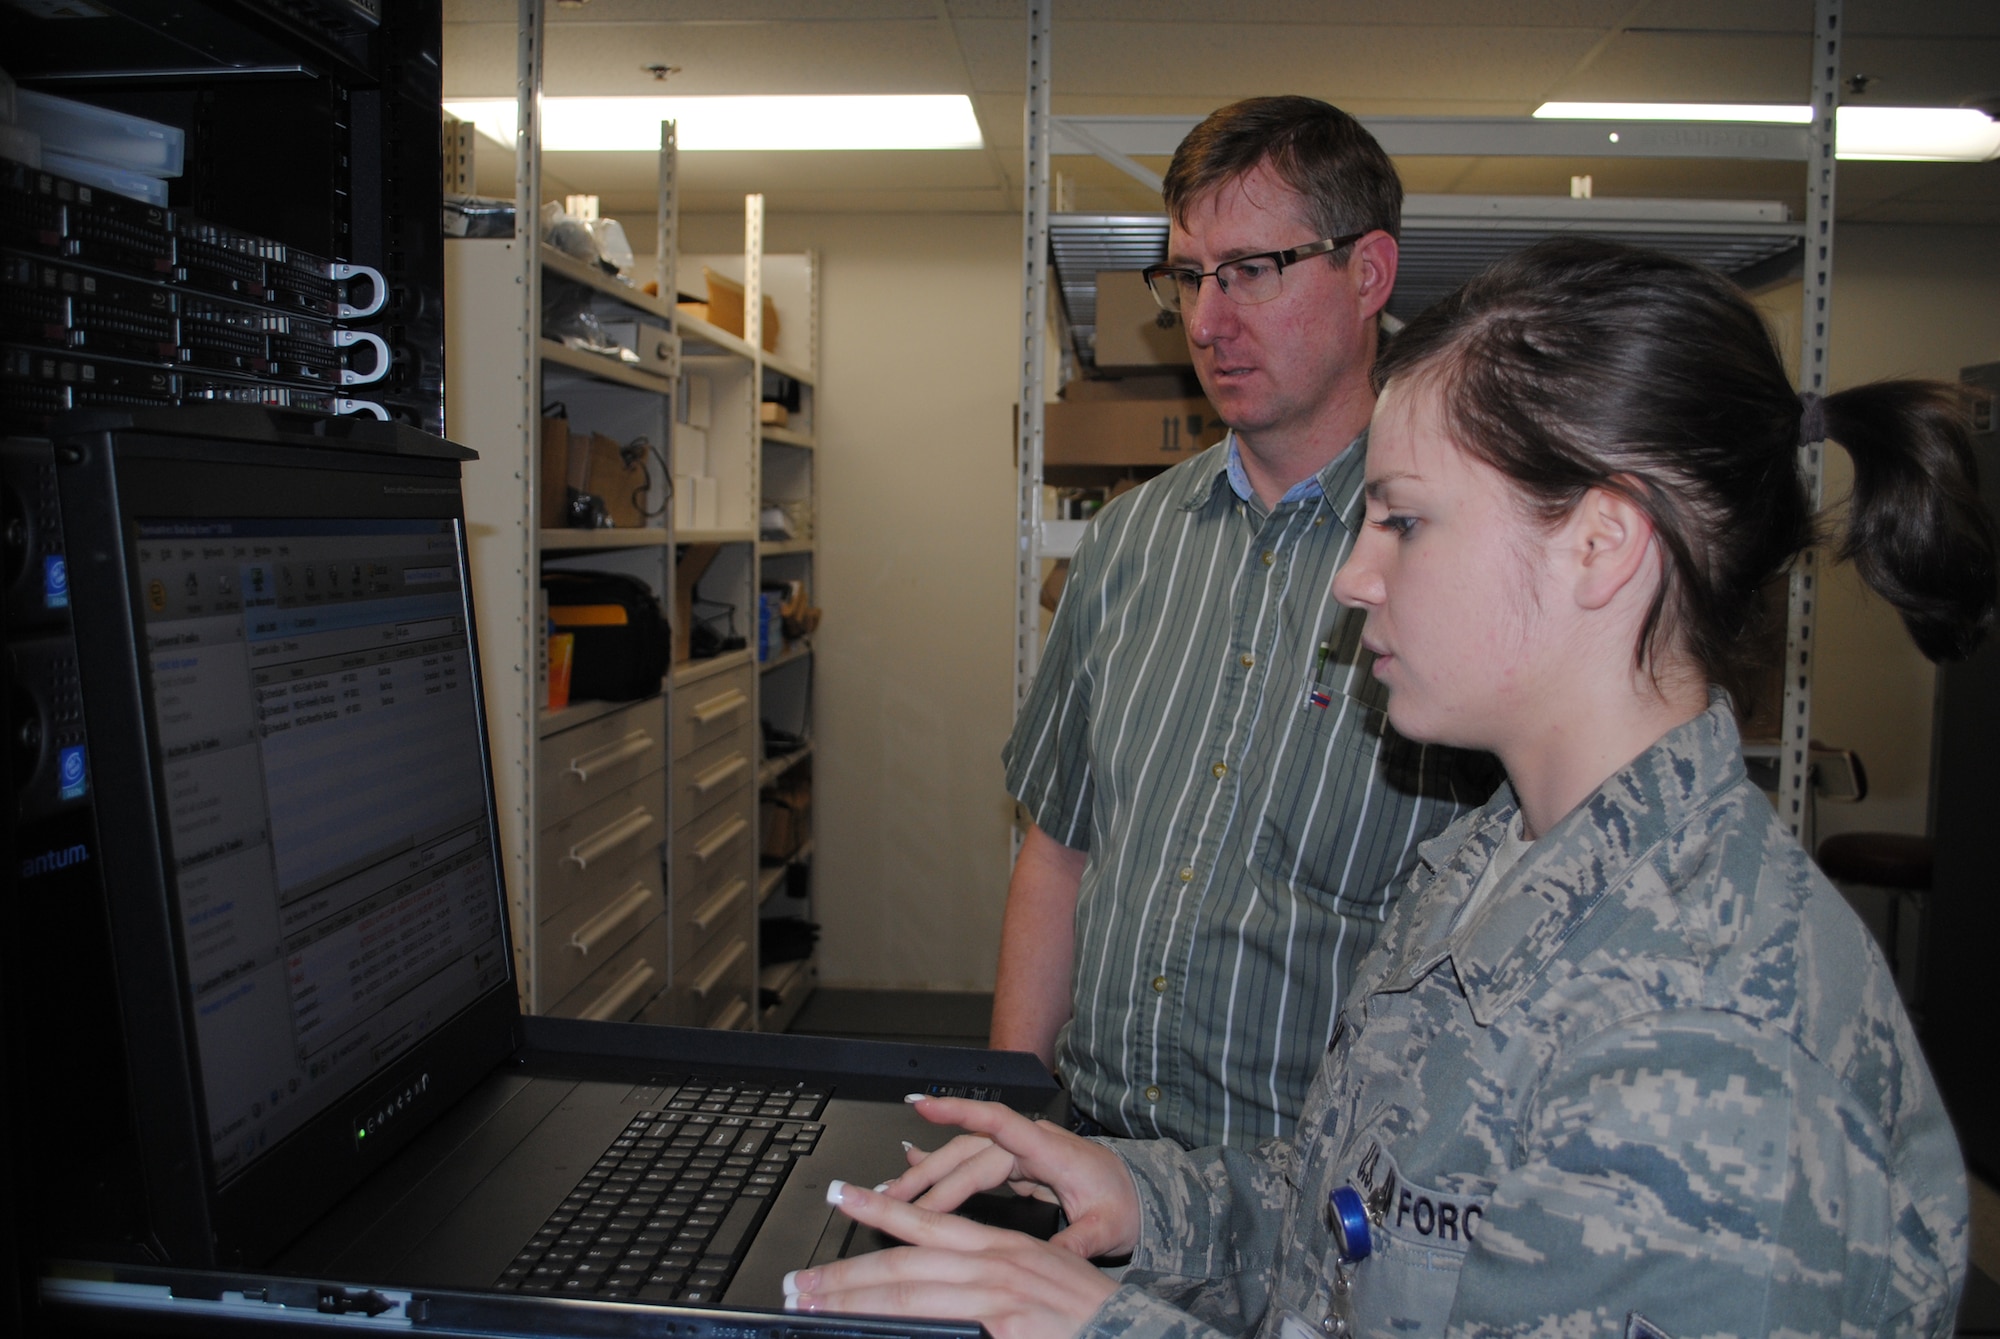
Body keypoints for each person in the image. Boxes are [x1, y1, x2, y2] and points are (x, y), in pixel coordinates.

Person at [785, 237, 1987, 1339]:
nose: (1355, 577)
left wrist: (1099, 1327)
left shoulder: (1709, 1053)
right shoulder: (1489, 862)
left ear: (1599, 546)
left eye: (1403, 522)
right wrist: (1144, 1195)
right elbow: (1362, 1234)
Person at [997, 95, 1491, 1151]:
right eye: (1187, 277)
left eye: (1252, 272)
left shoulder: (1464, 556)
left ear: (1367, 275)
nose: (1208, 322)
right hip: (1095, 1154)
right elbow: (1057, 849)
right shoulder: (1126, 543)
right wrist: (1008, 1122)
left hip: (1316, 1199)